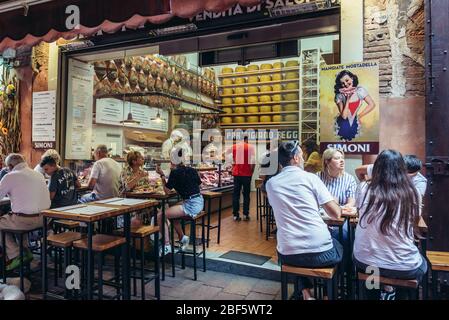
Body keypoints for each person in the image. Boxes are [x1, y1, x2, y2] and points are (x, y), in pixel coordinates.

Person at [266, 141, 342, 300]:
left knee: (296, 252)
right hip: (320, 253)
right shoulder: (311, 178)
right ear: (295, 158)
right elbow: (336, 214)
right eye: (301, 155)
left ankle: (307, 294)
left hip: (287, 253)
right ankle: (329, 294)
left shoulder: (271, 184)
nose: (303, 158)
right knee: (341, 246)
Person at [353, 149, 426, 300]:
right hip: (403, 266)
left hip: (367, 262)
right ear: (402, 169)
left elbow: (361, 212)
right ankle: (399, 294)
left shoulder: (364, 188)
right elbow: (414, 222)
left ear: (377, 168)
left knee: (372, 272)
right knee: (422, 266)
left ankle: (373, 295)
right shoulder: (412, 192)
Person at [0, 154, 50, 270]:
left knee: (13, 220)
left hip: (25, 221)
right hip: (44, 219)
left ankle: (16, 254)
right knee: (15, 219)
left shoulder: (10, 176)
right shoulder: (38, 174)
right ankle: (27, 254)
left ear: (11, 166)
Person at [155, 148, 204, 255]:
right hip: (199, 200)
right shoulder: (192, 170)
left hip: (191, 204)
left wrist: (162, 176)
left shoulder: (175, 172)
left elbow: (167, 191)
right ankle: (182, 238)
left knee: (160, 215)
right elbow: (200, 185)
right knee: (168, 210)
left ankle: (167, 245)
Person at [355, 154, 427, 197]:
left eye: (409, 173)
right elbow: (358, 170)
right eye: (402, 170)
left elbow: (415, 201)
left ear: (417, 172)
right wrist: (363, 184)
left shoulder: (420, 181)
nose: (404, 174)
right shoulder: (386, 169)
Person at [334, 70, 376, 141]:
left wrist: (359, 116)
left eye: (347, 80)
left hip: (355, 123)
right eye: (343, 83)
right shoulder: (339, 96)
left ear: (352, 78)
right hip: (342, 124)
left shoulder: (360, 91)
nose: (346, 84)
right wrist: (348, 99)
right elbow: (344, 116)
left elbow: (372, 104)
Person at [229, 135, 255, 221]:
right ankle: (245, 214)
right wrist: (251, 172)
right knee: (246, 195)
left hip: (237, 174)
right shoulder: (250, 147)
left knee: (236, 195)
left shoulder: (234, 147)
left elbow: (232, 160)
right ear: (246, 139)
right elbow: (253, 161)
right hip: (246, 174)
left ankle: (235, 215)